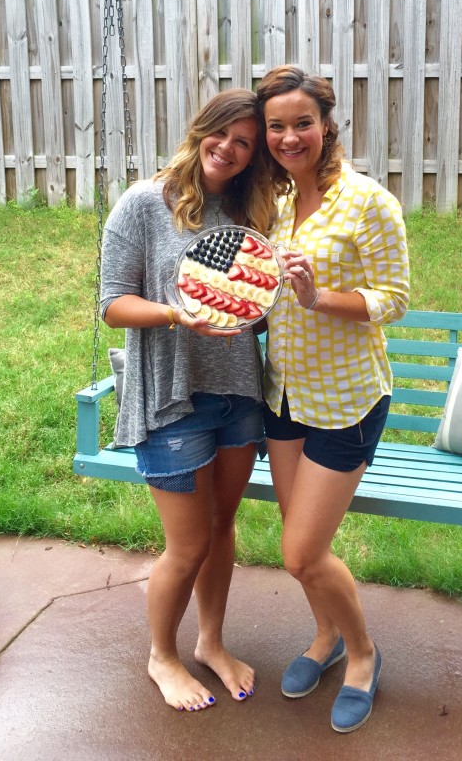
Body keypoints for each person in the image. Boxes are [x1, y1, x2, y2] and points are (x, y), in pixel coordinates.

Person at [100, 88, 276, 714]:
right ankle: (162, 656)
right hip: (174, 398)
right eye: (221, 134)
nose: (227, 149)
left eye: (244, 143)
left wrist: (259, 302)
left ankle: (211, 642)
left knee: (223, 527)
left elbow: (253, 312)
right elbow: (113, 305)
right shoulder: (146, 203)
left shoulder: (247, 211)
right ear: (200, 129)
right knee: (188, 544)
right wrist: (177, 315)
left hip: (238, 396)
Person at [255, 65, 410, 734]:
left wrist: (320, 298)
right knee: (301, 544)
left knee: (301, 553)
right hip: (282, 394)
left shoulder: (368, 202)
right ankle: (325, 637)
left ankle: (363, 655)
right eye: (277, 126)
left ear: (326, 124)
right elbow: (268, 293)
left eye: (302, 123)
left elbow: (392, 300)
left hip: (346, 400)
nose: (290, 136)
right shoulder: (277, 201)